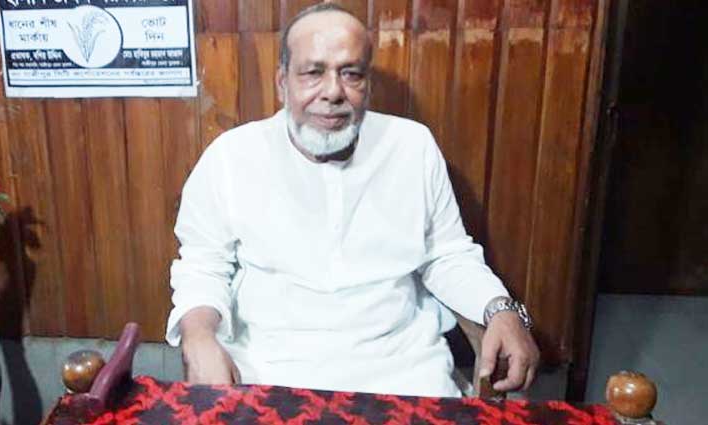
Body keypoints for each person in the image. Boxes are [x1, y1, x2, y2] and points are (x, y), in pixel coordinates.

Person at [165, 3, 539, 397]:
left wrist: (500, 309)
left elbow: (447, 255)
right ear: (282, 83)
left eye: (350, 74)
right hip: (268, 364)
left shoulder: (412, 147)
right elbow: (203, 266)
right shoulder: (231, 156)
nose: (332, 92)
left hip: (401, 366)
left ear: (367, 84)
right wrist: (199, 334)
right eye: (313, 73)